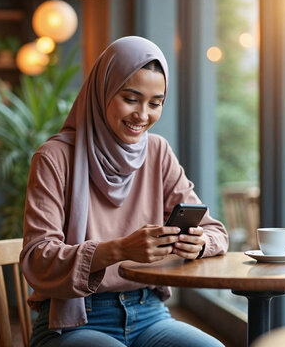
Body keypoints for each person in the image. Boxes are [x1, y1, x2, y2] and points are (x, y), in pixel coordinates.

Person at [20, 36, 228, 347]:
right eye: (131, 99)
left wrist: (198, 244)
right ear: (102, 91)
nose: (143, 115)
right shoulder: (54, 157)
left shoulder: (157, 152)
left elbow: (216, 232)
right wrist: (119, 250)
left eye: (155, 103)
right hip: (74, 320)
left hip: (149, 314)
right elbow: (38, 259)